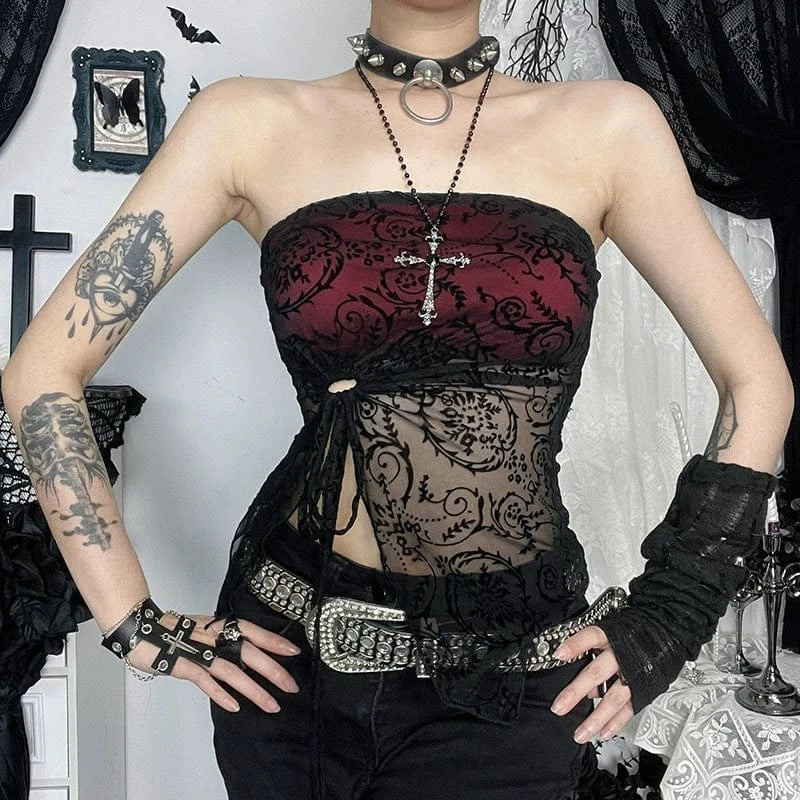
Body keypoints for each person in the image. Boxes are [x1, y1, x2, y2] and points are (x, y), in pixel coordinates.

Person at [1, 0, 792, 798]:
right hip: (289, 678)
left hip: (511, 682)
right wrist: (133, 623)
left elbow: (758, 383)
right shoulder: (243, 123)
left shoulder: (612, 128)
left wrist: (672, 613)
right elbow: (43, 370)